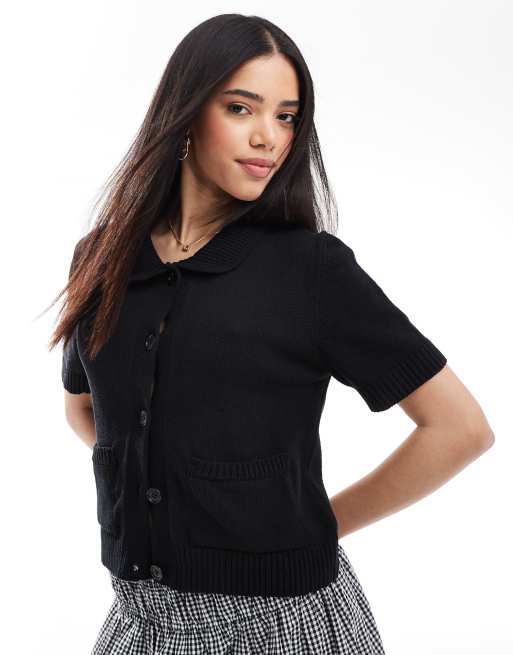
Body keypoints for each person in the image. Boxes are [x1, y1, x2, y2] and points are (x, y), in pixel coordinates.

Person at [52, 13, 494, 654]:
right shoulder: (103, 257)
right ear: (185, 113)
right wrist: (156, 482)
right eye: (241, 108)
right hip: (141, 622)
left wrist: (314, 526)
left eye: (287, 117)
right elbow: (85, 408)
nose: (268, 137)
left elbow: (460, 429)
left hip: (284, 623)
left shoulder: (311, 269)